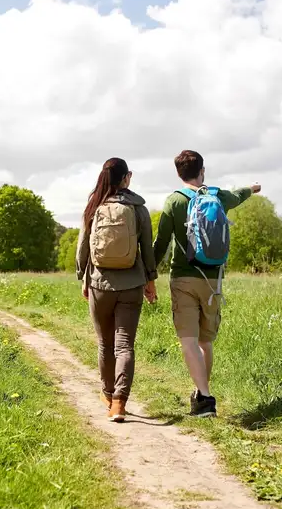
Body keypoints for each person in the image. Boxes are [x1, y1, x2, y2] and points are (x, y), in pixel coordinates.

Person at [153, 150, 261, 417]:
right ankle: (201, 394)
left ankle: (206, 399)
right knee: (205, 341)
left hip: (183, 278)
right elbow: (238, 195)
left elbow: (161, 243)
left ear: (178, 173)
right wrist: (252, 189)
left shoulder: (174, 201)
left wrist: (148, 275)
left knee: (188, 340)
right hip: (213, 281)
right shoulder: (218, 196)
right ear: (202, 170)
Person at [76, 158, 158, 422]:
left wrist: (83, 277)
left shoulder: (94, 206)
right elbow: (147, 248)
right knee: (124, 345)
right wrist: (150, 280)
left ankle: (108, 394)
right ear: (126, 177)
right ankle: (119, 404)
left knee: (105, 344)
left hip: (99, 283)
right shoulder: (138, 208)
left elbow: (82, 248)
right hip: (132, 284)